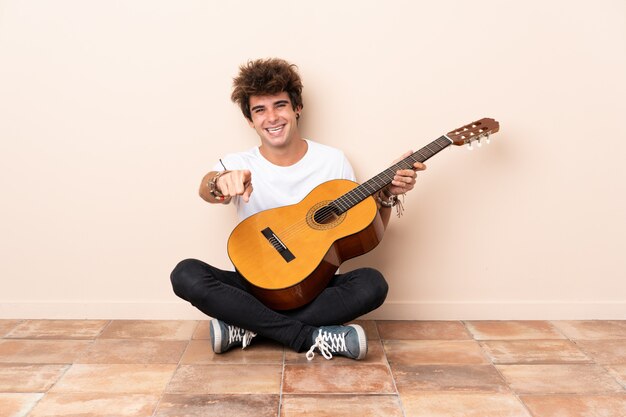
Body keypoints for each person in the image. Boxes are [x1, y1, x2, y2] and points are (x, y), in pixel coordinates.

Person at [170, 58, 425, 360]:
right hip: (255, 286)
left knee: (372, 283)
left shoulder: (332, 160)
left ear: (297, 108)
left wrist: (385, 196)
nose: (272, 118)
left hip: (313, 287)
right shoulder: (239, 163)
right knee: (185, 274)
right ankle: (308, 337)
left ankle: (248, 328)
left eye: (280, 105)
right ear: (250, 121)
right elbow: (206, 188)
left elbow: (364, 231)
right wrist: (220, 183)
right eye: (259, 110)